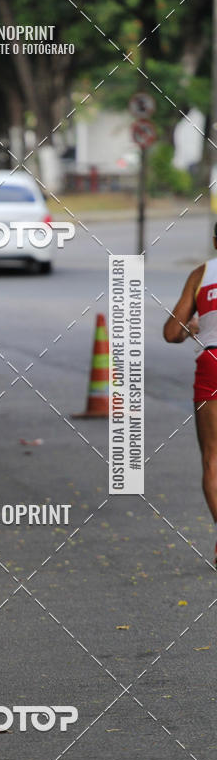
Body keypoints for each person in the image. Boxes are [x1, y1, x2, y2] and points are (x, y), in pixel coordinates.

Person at [163, 226, 217, 564]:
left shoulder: (202, 273)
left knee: (213, 458)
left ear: (214, 241)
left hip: (212, 362)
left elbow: (172, 332)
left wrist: (194, 325)